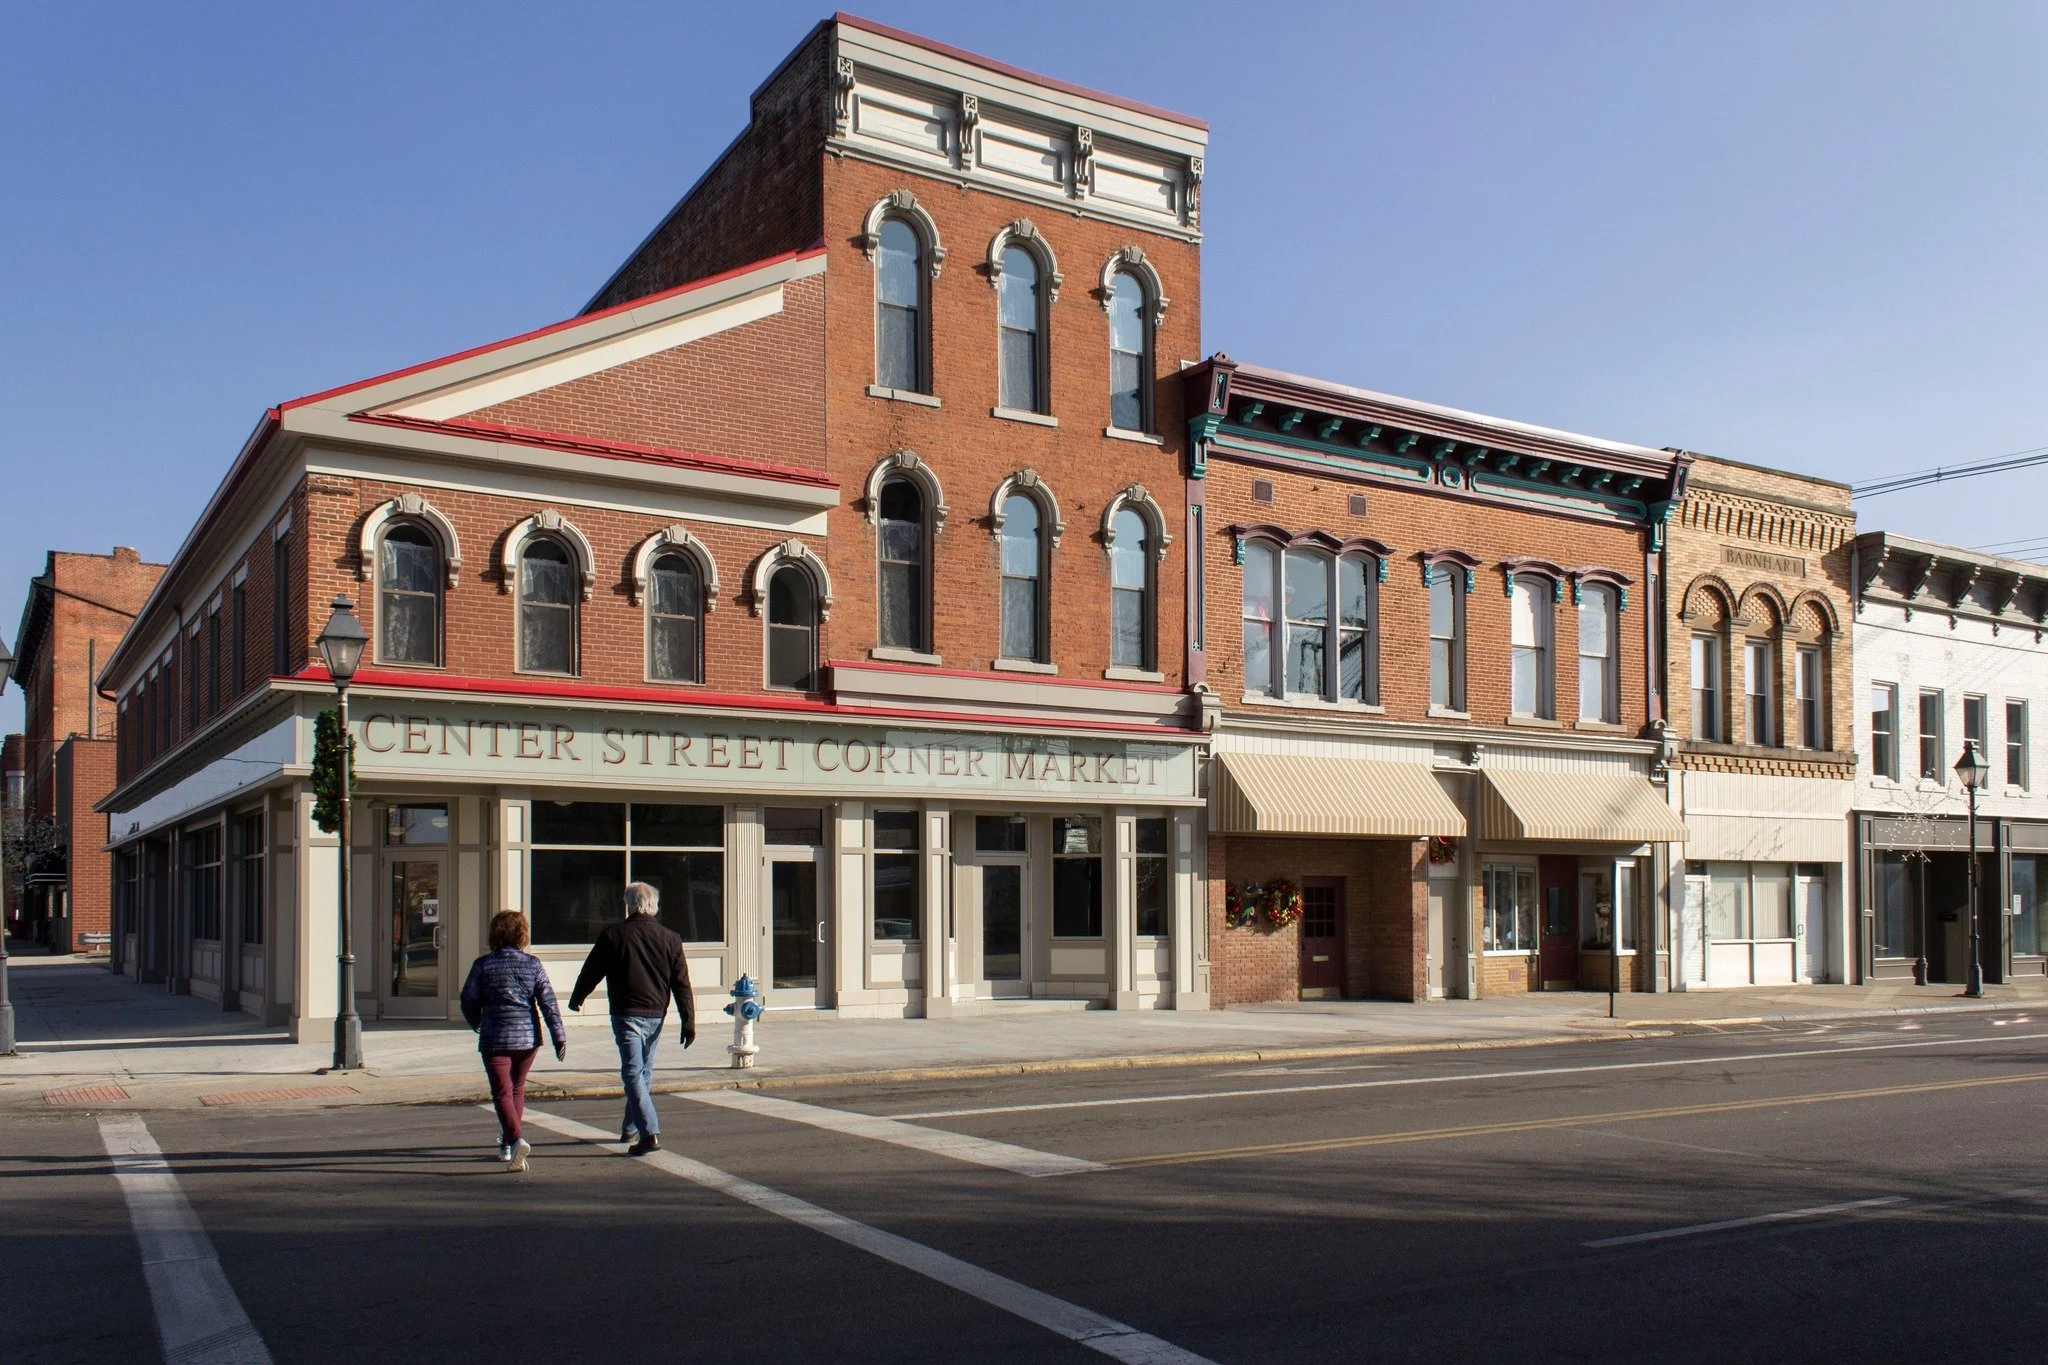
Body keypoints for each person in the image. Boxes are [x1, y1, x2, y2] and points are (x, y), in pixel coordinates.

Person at [569, 881, 694, 1154]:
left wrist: (577, 997)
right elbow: (681, 983)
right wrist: (688, 1020)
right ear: (653, 905)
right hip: (655, 1013)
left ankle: (648, 1133)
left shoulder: (614, 935)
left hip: (626, 1013)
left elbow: (592, 970)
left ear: (629, 905)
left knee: (634, 1074)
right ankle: (631, 1128)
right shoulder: (670, 938)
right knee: (642, 1073)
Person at [459, 910, 566, 1173]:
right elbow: (548, 1002)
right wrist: (558, 1036)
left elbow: (468, 999)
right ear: (522, 935)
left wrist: (477, 1022)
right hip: (527, 1037)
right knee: (517, 1089)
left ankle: (515, 1140)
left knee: (501, 1092)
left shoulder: (483, 965)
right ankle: (508, 1142)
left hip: (495, 1036)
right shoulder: (533, 964)